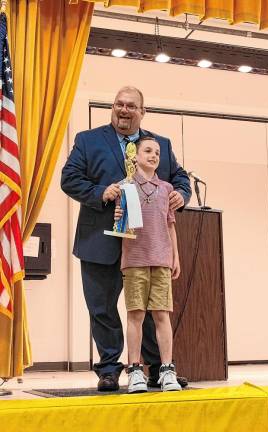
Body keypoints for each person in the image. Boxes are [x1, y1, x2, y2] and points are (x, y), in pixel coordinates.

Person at [61, 86, 191, 391]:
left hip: (147, 244)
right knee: (103, 309)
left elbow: (181, 178)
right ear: (113, 108)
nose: (124, 109)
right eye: (119, 104)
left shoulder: (159, 144)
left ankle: (158, 368)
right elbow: (69, 179)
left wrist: (180, 195)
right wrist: (99, 192)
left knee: (149, 309)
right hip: (100, 240)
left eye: (131, 106)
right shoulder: (88, 140)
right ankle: (109, 370)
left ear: (142, 112)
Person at [115, 136, 182, 393]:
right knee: (136, 314)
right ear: (135, 156)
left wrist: (175, 256)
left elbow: (170, 225)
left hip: (162, 259)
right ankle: (134, 371)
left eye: (156, 152)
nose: (153, 155)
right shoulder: (126, 187)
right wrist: (119, 218)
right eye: (147, 151)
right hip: (134, 260)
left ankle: (167, 370)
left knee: (162, 314)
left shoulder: (166, 189)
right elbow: (121, 228)